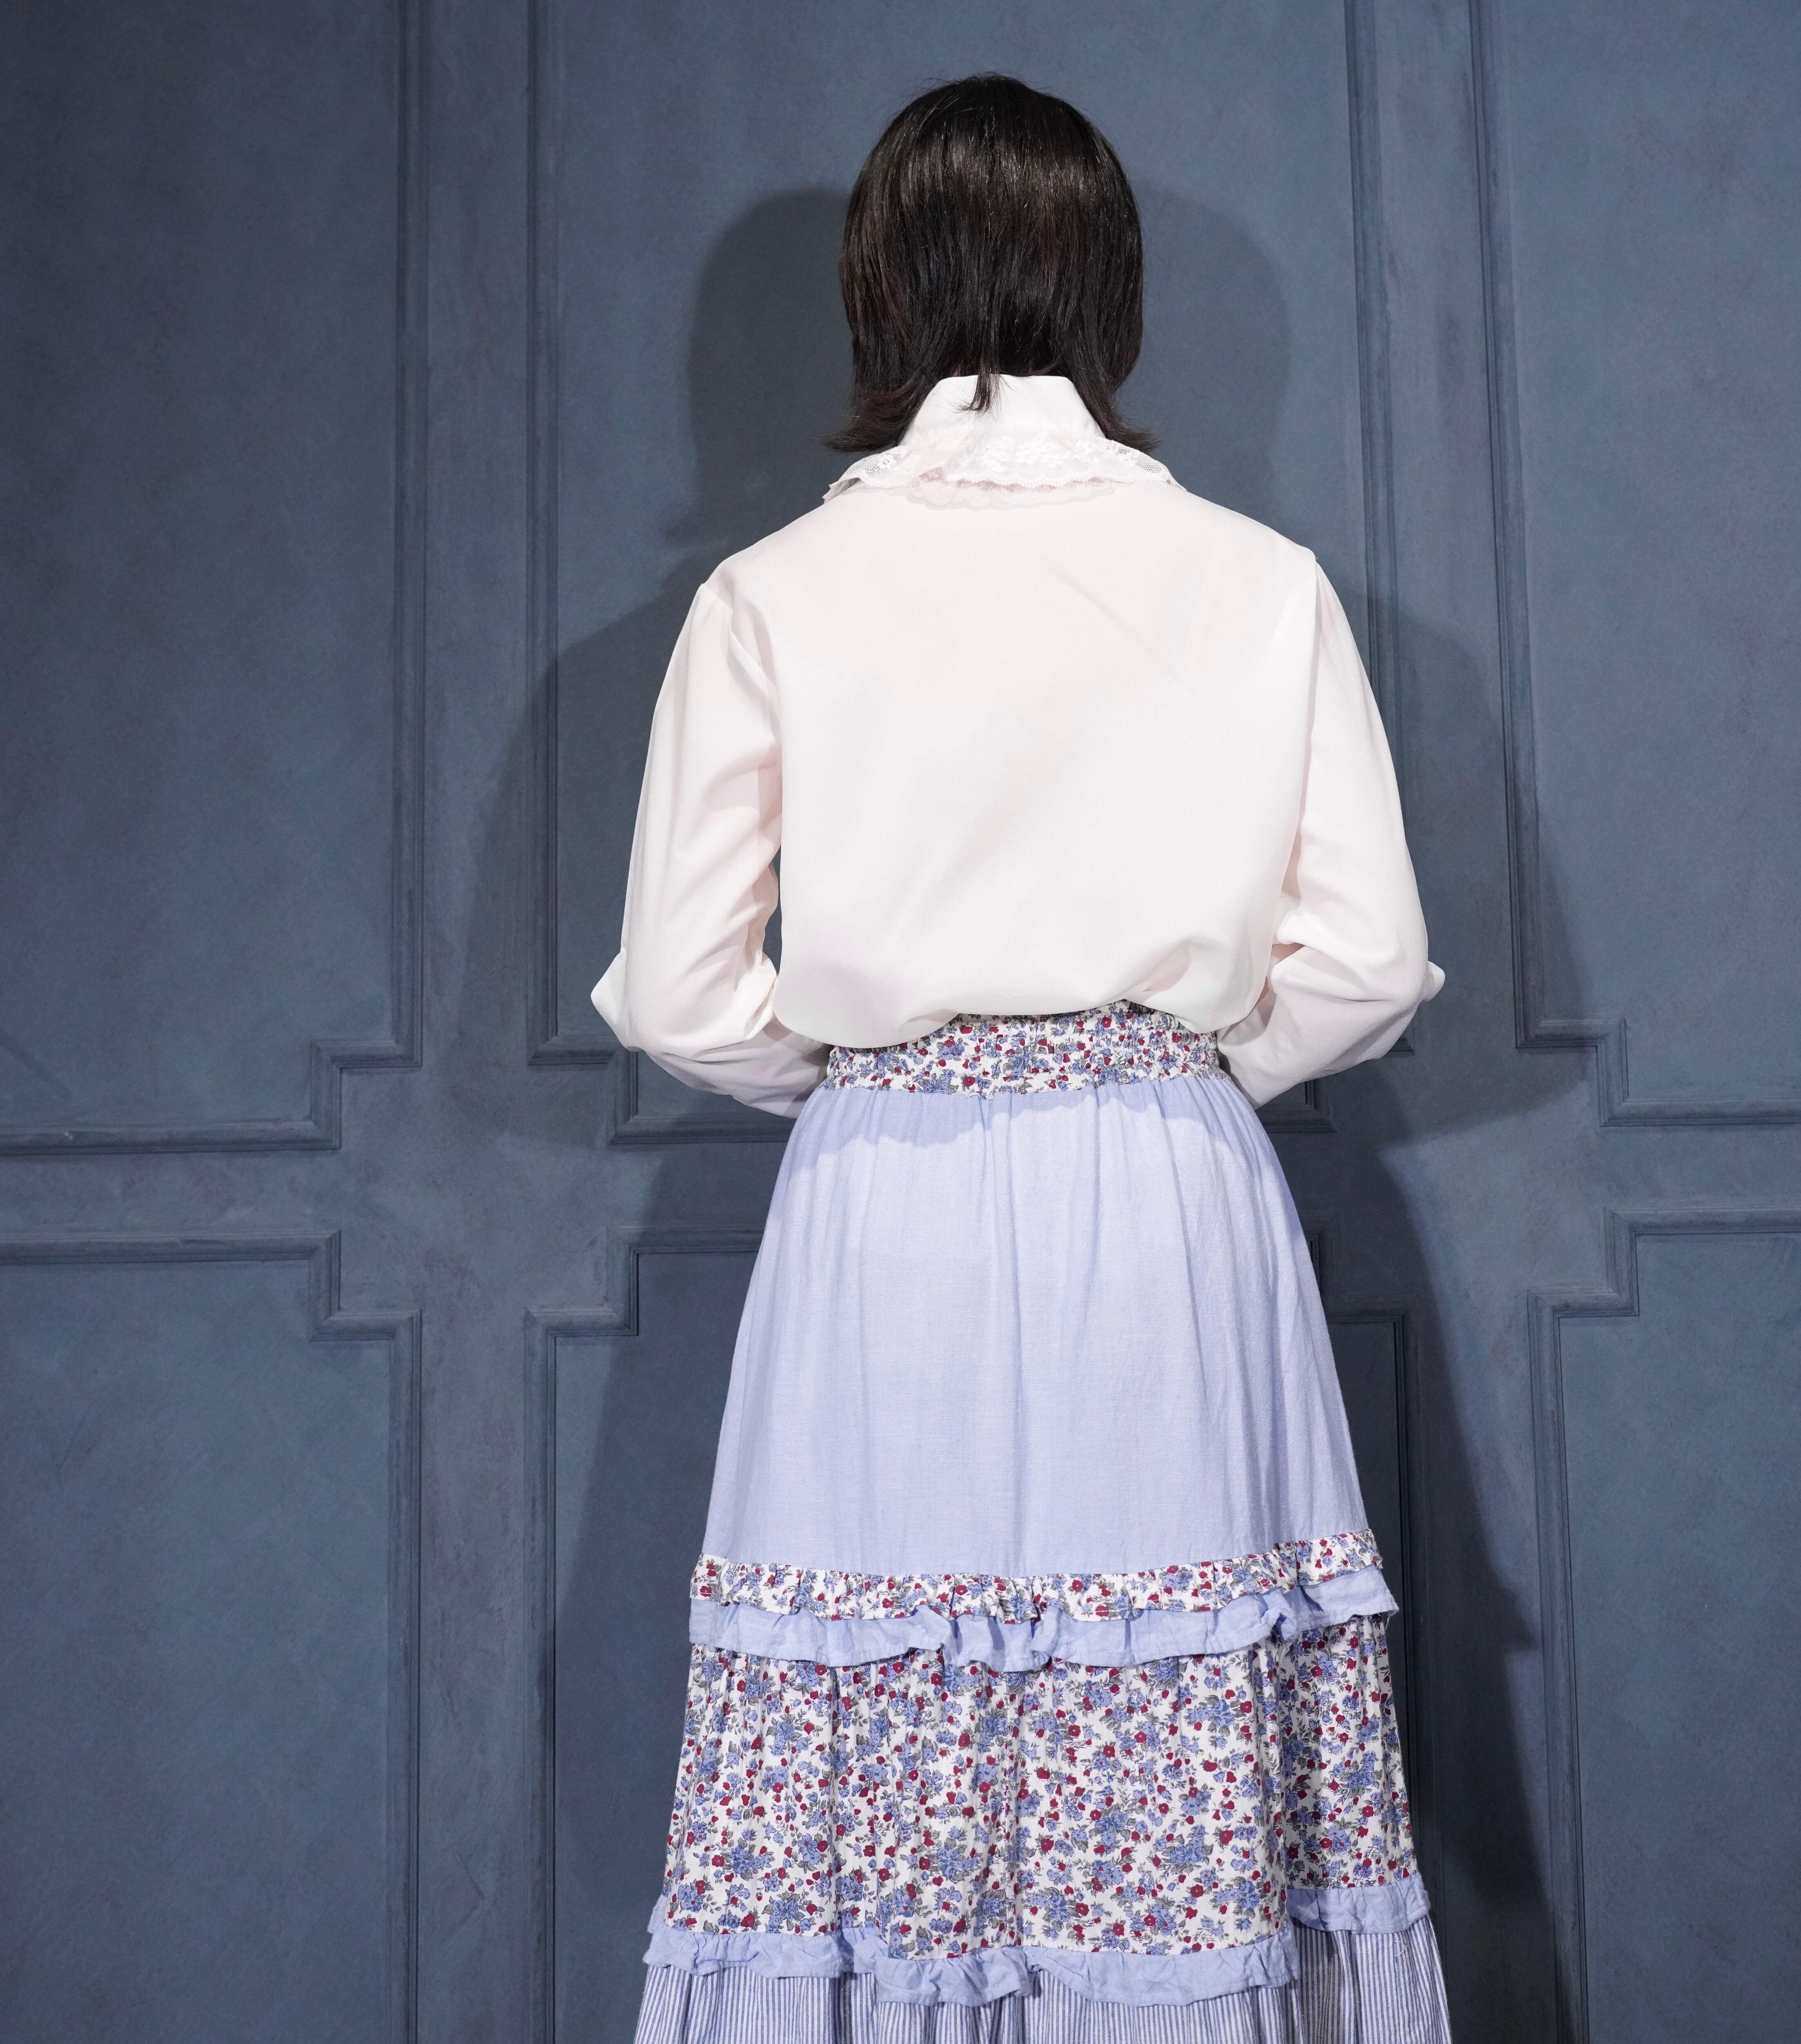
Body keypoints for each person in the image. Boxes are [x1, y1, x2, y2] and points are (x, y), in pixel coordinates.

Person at [592, 71, 1451, 2043]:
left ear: (877, 289)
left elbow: (682, 991)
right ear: (1109, 287)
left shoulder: (771, 594)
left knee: (876, 1720)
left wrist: (880, 1076)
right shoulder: (1256, 580)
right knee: (1179, 1713)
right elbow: (1368, 960)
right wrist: (1168, 1077)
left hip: (882, 1208)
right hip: (1166, 1199)